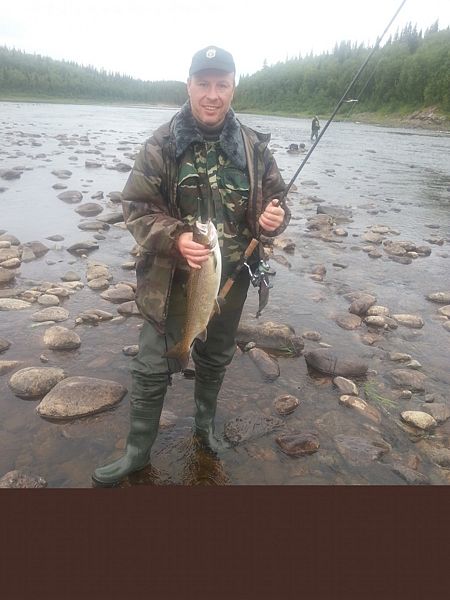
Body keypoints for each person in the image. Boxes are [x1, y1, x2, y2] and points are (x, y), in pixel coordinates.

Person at [92, 45, 290, 487]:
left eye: (222, 84)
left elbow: (277, 202)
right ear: (189, 86)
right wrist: (176, 237)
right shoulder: (161, 144)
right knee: (150, 364)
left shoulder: (254, 147)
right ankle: (137, 452)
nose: (212, 94)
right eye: (204, 84)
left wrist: (273, 219)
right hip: (169, 279)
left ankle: (204, 429)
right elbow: (136, 209)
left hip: (231, 276)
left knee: (215, 356)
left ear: (233, 88)